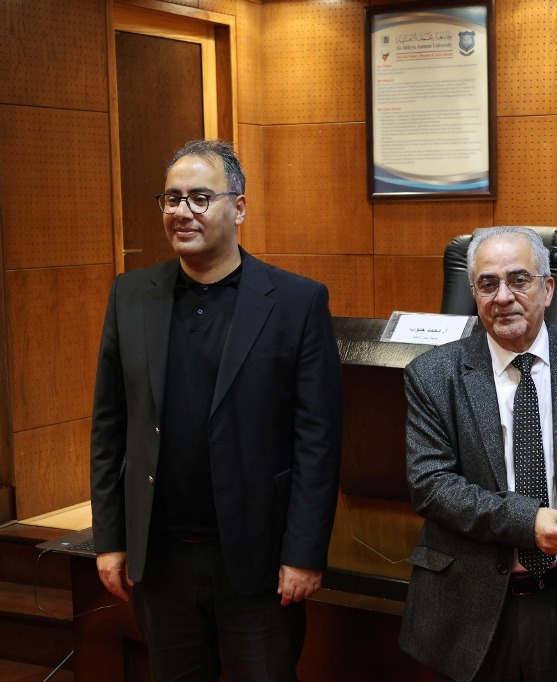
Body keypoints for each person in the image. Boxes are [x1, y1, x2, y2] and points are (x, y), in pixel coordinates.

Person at [90, 138, 344, 681]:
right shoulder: (130, 295)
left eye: (200, 198)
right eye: (171, 198)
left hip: (258, 559)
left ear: (239, 207)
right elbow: (109, 428)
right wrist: (110, 539)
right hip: (160, 559)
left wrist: (304, 552)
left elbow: (318, 442)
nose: (182, 212)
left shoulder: (297, 302)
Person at [399, 227, 557, 681]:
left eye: (519, 280)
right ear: (475, 294)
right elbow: (431, 486)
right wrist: (527, 522)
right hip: (470, 609)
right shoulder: (433, 374)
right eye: (488, 284)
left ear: (548, 289)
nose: (503, 297)